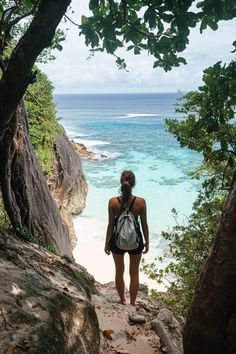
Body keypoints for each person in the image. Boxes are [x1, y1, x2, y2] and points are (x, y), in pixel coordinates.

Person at [104, 170, 149, 306]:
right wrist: (147, 242)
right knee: (134, 273)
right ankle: (133, 303)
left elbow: (110, 225)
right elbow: (145, 225)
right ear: (133, 183)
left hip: (117, 241)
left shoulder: (113, 202)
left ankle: (122, 300)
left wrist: (106, 244)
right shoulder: (140, 202)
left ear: (120, 182)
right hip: (136, 241)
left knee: (119, 271)